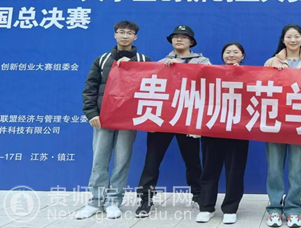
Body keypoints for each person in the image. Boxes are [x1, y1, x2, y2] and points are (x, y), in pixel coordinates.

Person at [77, 21, 151, 219]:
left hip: (128, 120)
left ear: (135, 37)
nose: (125, 36)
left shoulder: (143, 60)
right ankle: (96, 201)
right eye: (121, 32)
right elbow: (90, 88)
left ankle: (113, 201)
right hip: (103, 118)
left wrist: (144, 118)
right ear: (115, 35)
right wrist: (92, 113)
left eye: (129, 33)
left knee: (122, 161)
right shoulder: (102, 60)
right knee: (99, 160)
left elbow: (150, 89)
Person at [135, 25, 210, 218]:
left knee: (193, 161)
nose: (179, 40)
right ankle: (145, 199)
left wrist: (183, 67)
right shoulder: (161, 62)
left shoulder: (202, 61)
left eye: (184, 37)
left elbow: (209, 79)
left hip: (188, 119)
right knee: (152, 160)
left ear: (191, 42)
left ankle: (198, 195)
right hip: (162, 119)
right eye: (176, 37)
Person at [264, 24, 301, 228]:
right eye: (289, 36)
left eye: (297, 36)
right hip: (275, 123)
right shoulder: (271, 62)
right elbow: (261, 88)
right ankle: (274, 208)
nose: (293, 40)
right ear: (283, 40)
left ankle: (294, 210)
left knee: (297, 170)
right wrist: (274, 74)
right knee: (274, 169)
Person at [196, 42, 250, 225]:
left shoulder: (250, 75)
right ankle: (206, 207)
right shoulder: (211, 73)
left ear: (242, 56)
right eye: (228, 52)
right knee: (209, 169)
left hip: (238, 130)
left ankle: (230, 208)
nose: (231, 55)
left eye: (236, 52)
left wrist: (241, 75)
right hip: (213, 127)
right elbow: (190, 83)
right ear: (222, 55)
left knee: (235, 171)